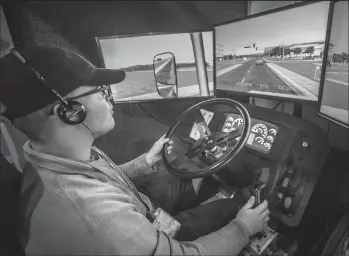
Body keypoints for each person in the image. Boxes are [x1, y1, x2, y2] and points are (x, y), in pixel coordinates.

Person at [0, 45, 270, 255]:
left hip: (149, 224)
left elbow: (101, 180)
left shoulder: (48, 157)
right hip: (149, 238)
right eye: (99, 91)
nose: (109, 98)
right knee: (232, 209)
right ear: (71, 112)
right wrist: (243, 228)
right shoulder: (98, 219)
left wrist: (144, 162)